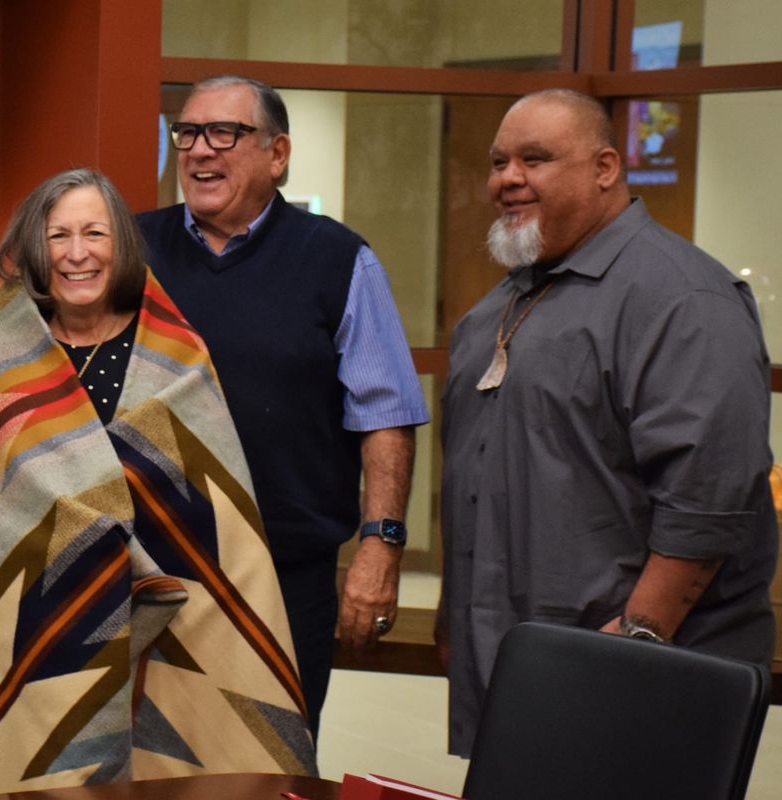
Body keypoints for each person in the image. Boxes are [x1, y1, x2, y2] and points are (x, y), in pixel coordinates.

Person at [0, 169, 315, 798]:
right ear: (35, 248)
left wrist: (108, 519)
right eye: (59, 236)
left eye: (94, 234)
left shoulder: (175, 355)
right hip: (26, 619)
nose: (77, 253)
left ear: (121, 245)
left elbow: (210, 497)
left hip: (178, 619)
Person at [438, 88, 778, 757]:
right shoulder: (497, 309)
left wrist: (636, 640)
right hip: (524, 668)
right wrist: (459, 620)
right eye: (499, 162)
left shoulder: (683, 298)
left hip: (641, 674)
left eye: (535, 159)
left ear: (605, 168)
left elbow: (708, 501)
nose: (508, 179)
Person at [137, 75, 429, 735]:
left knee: (272, 758)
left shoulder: (339, 259)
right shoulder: (134, 251)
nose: (199, 150)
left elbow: (385, 415)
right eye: (188, 133)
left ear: (278, 153)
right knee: (148, 763)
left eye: (224, 133)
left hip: (285, 576)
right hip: (149, 571)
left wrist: (381, 546)